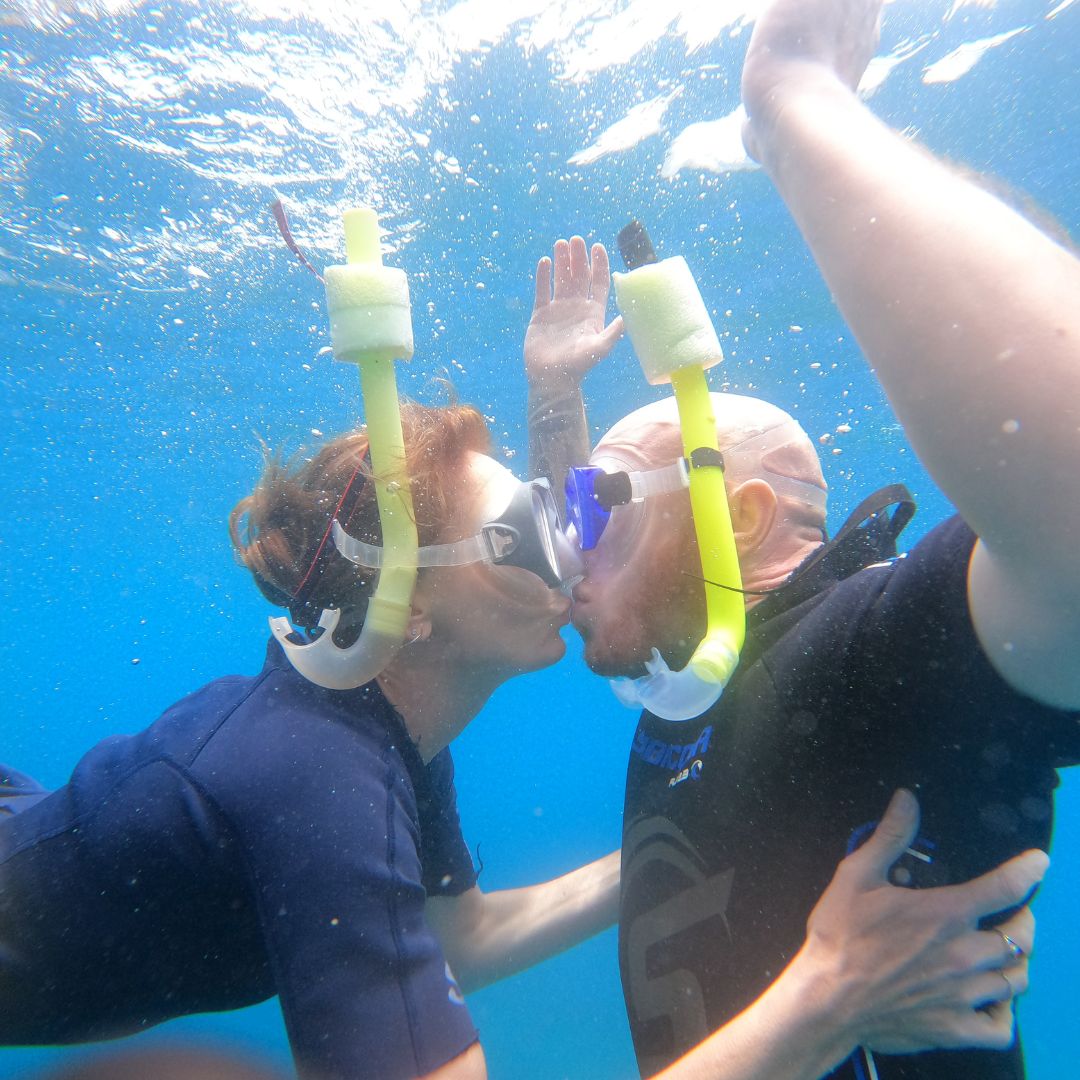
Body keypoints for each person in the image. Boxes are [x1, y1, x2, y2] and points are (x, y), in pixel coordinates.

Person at [0, 402, 1045, 1080]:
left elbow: (460, 939)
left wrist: (728, 843)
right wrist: (832, 996)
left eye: (566, 517)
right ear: (408, 608)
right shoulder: (316, 775)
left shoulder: (388, 718)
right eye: (527, 538)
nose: (570, 561)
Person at [523, 1, 1080, 1078]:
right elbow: (592, 548)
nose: (566, 549)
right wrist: (556, 403)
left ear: (741, 519)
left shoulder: (865, 648)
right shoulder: (694, 660)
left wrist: (795, 106)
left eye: (602, 508)